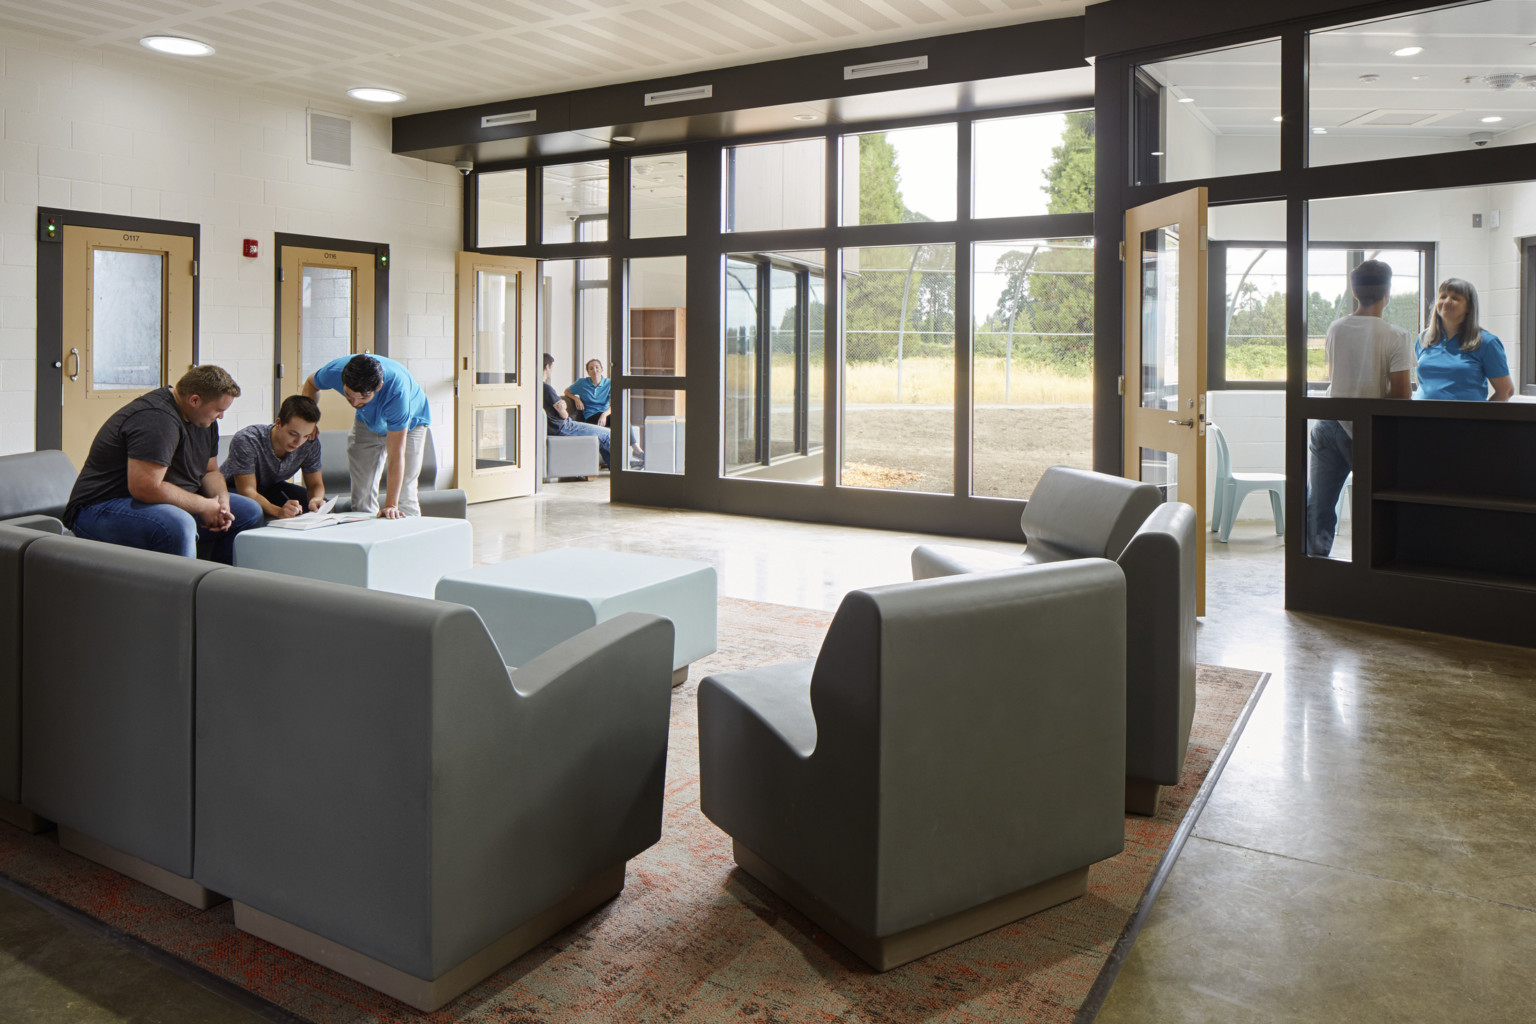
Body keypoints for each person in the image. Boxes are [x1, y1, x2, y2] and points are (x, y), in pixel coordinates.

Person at [62, 364, 263, 563]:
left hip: (156, 503)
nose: (221, 416)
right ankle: (182, 593)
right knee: (177, 524)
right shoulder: (156, 419)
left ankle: (216, 584)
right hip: (100, 509)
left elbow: (210, 471)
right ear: (194, 400)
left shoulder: (204, 420)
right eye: (219, 410)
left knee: (249, 512)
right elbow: (145, 488)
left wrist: (221, 503)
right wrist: (202, 505)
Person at [1305, 260, 1414, 558]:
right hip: (1370, 430)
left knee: (1320, 504)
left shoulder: (1335, 328)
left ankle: (1314, 568)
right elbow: (1402, 396)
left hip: (1330, 425)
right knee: (1375, 504)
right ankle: (1370, 572)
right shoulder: (1396, 336)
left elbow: (1338, 376)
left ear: (1355, 292)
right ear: (1387, 292)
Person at [302, 353, 430, 519]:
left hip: (411, 423)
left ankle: (411, 539)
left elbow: (396, 454)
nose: (354, 403)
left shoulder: (397, 392)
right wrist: (309, 422)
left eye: (362, 397)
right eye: (349, 395)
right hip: (367, 419)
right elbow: (311, 384)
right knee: (362, 495)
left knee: (406, 492)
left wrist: (391, 505)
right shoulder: (335, 371)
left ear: (378, 387)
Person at [220, 395, 326, 519]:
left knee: (321, 507)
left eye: (306, 436)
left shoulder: (310, 443)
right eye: (293, 434)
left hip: (271, 487)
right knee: (253, 510)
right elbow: (247, 491)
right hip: (232, 489)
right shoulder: (247, 440)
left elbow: (315, 484)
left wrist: (316, 499)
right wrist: (278, 511)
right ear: (278, 423)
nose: (298, 442)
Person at [1414, 278, 1515, 402]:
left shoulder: (1486, 342)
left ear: (1469, 307)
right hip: (1420, 418)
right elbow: (1422, 382)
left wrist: (1481, 418)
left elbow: (1506, 391)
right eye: (1443, 296)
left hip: (1465, 420)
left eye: (1455, 298)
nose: (1447, 301)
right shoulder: (1424, 338)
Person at [544, 353, 611, 469]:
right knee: (608, 434)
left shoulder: (534, 387)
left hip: (554, 427)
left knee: (604, 434)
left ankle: (613, 467)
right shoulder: (548, 389)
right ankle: (619, 469)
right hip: (563, 426)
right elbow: (564, 415)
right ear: (547, 367)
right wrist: (564, 407)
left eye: (597, 368)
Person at [563, 358, 611, 426]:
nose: (594, 370)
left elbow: (614, 405)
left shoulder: (609, 383)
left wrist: (604, 414)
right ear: (588, 372)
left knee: (622, 420)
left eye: (597, 367)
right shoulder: (581, 383)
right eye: (591, 369)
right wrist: (576, 399)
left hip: (605, 414)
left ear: (602, 369)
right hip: (591, 416)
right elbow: (566, 391)